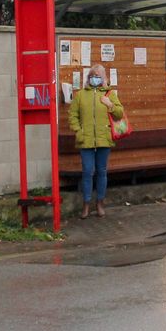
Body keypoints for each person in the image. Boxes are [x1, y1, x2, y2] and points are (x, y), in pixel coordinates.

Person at [68, 64, 124, 219]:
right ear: (88, 78)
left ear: (103, 78)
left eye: (98, 76)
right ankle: (86, 204)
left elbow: (120, 114)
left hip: (103, 139)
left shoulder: (109, 94)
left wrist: (110, 105)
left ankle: (100, 203)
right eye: (93, 76)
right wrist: (79, 131)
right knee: (87, 172)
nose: (95, 78)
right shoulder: (80, 95)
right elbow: (73, 116)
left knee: (101, 172)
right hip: (85, 140)